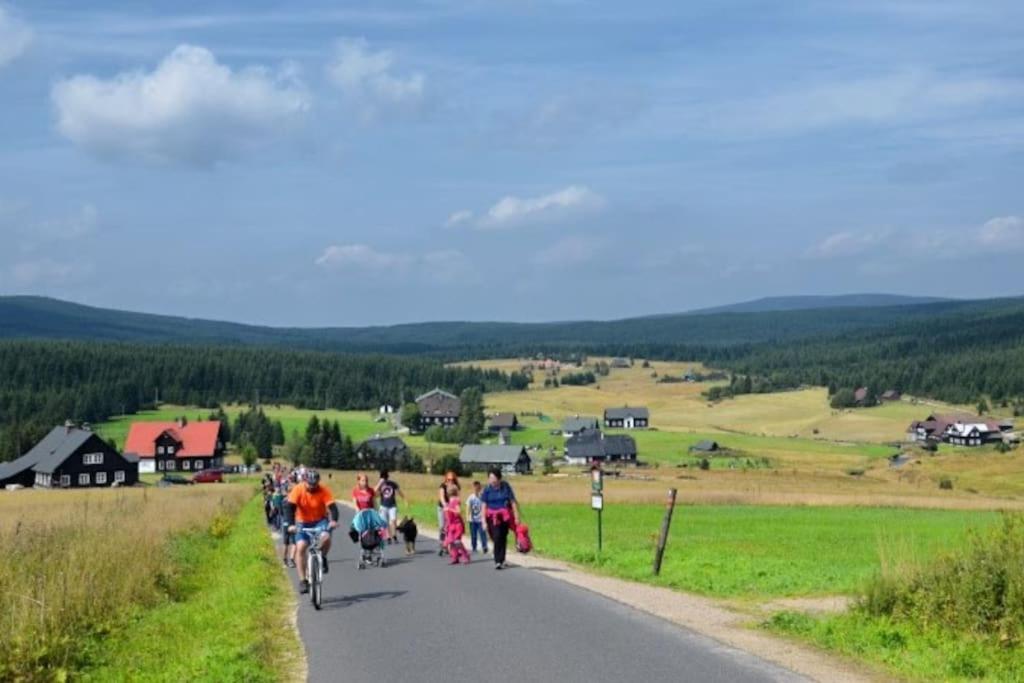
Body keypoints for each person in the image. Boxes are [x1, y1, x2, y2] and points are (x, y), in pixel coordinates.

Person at [284, 470, 339, 594]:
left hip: (320, 521)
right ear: (305, 481)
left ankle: (323, 557)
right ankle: (303, 580)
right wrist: (291, 525)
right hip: (302, 521)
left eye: (315, 485)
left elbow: (333, 507)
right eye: (310, 484)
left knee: (326, 537)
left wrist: (333, 520)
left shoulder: (323, 490)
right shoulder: (298, 489)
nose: (313, 487)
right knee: (301, 546)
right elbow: (290, 508)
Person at [480, 468, 520, 570]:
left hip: (505, 516)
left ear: (499, 478)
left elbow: (512, 502)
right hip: (492, 517)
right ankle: (499, 557)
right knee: (496, 537)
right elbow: (484, 505)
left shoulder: (505, 487)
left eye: (494, 478)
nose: (492, 480)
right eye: (490, 478)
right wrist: (483, 521)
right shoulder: (487, 489)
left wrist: (516, 516)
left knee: (502, 537)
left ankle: (499, 560)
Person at [375, 470, 406, 544]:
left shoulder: (393, 484)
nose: (384, 479)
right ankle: (388, 537)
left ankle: (394, 535)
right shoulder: (380, 485)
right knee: (384, 522)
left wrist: (404, 499)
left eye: (385, 477)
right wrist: (380, 483)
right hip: (383, 506)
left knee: (393, 520)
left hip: (392, 505)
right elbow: (374, 492)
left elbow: (399, 492)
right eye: (383, 477)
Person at [443, 484, 470, 564]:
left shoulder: (456, 501)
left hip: (457, 524)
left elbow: (458, 512)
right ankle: (455, 557)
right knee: (451, 542)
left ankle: (465, 555)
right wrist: (446, 525)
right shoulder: (449, 501)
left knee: (457, 541)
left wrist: (449, 509)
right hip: (451, 525)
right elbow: (448, 517)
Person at [436, 471, 460, 556]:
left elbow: (457, 497)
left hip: (451, 508)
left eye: (452, 479)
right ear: (446, 478)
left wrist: (456, 505)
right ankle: (442, 544)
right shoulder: (443, 486)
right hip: (442, 508)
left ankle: (448, 545)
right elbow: (442, 498)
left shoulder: (455, 486)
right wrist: (446, 506)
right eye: (449, 479)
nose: (450, 481)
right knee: (442, 526)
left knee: (450, 527)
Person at [465, 481, 488, 554]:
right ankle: (474, 546)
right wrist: (467, 516)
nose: (476, 490)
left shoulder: (482, 497)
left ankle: (484, 546)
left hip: (481, 519)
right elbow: (468, 507)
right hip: (473, 520)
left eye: (478, 488)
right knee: (473, 535)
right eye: (475, 488)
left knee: (482, 534)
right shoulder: (471, 497)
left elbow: (485, 506)